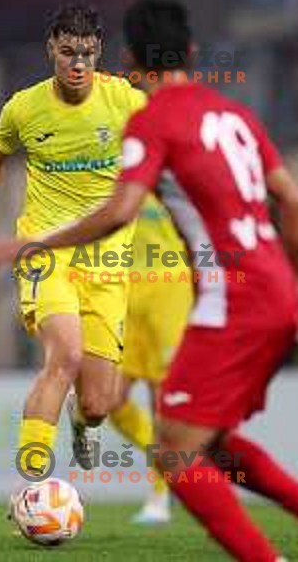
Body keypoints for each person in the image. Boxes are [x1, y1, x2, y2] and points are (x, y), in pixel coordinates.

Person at [0, 0, 298, 561]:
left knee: (172, 453)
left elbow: (120, 210)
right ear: (192, 53)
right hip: (274, 292)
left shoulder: (154, 119)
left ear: (128, 60)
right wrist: (295, 283)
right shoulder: (235, 115)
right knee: (206, 441)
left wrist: (37, 241)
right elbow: (294, 203)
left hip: (230, 301)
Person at [0, 4, 146, 479]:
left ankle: (84, 423)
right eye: (67, 53)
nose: (77, 63)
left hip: (108, 263)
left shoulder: (124, 100)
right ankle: (33, 485)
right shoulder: (24, 107)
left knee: (99, 402)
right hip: (44, 254)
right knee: (65, 354)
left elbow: (169, 142)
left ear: (99, 51)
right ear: (51, 51)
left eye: (86, 53)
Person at [109, 194, 193, 523]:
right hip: (122, 292)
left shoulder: (162, 171)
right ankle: (170, 460)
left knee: (162, 396)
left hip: (167, 289)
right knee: (108, 401)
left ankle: (160, 496)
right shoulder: (97, 171)